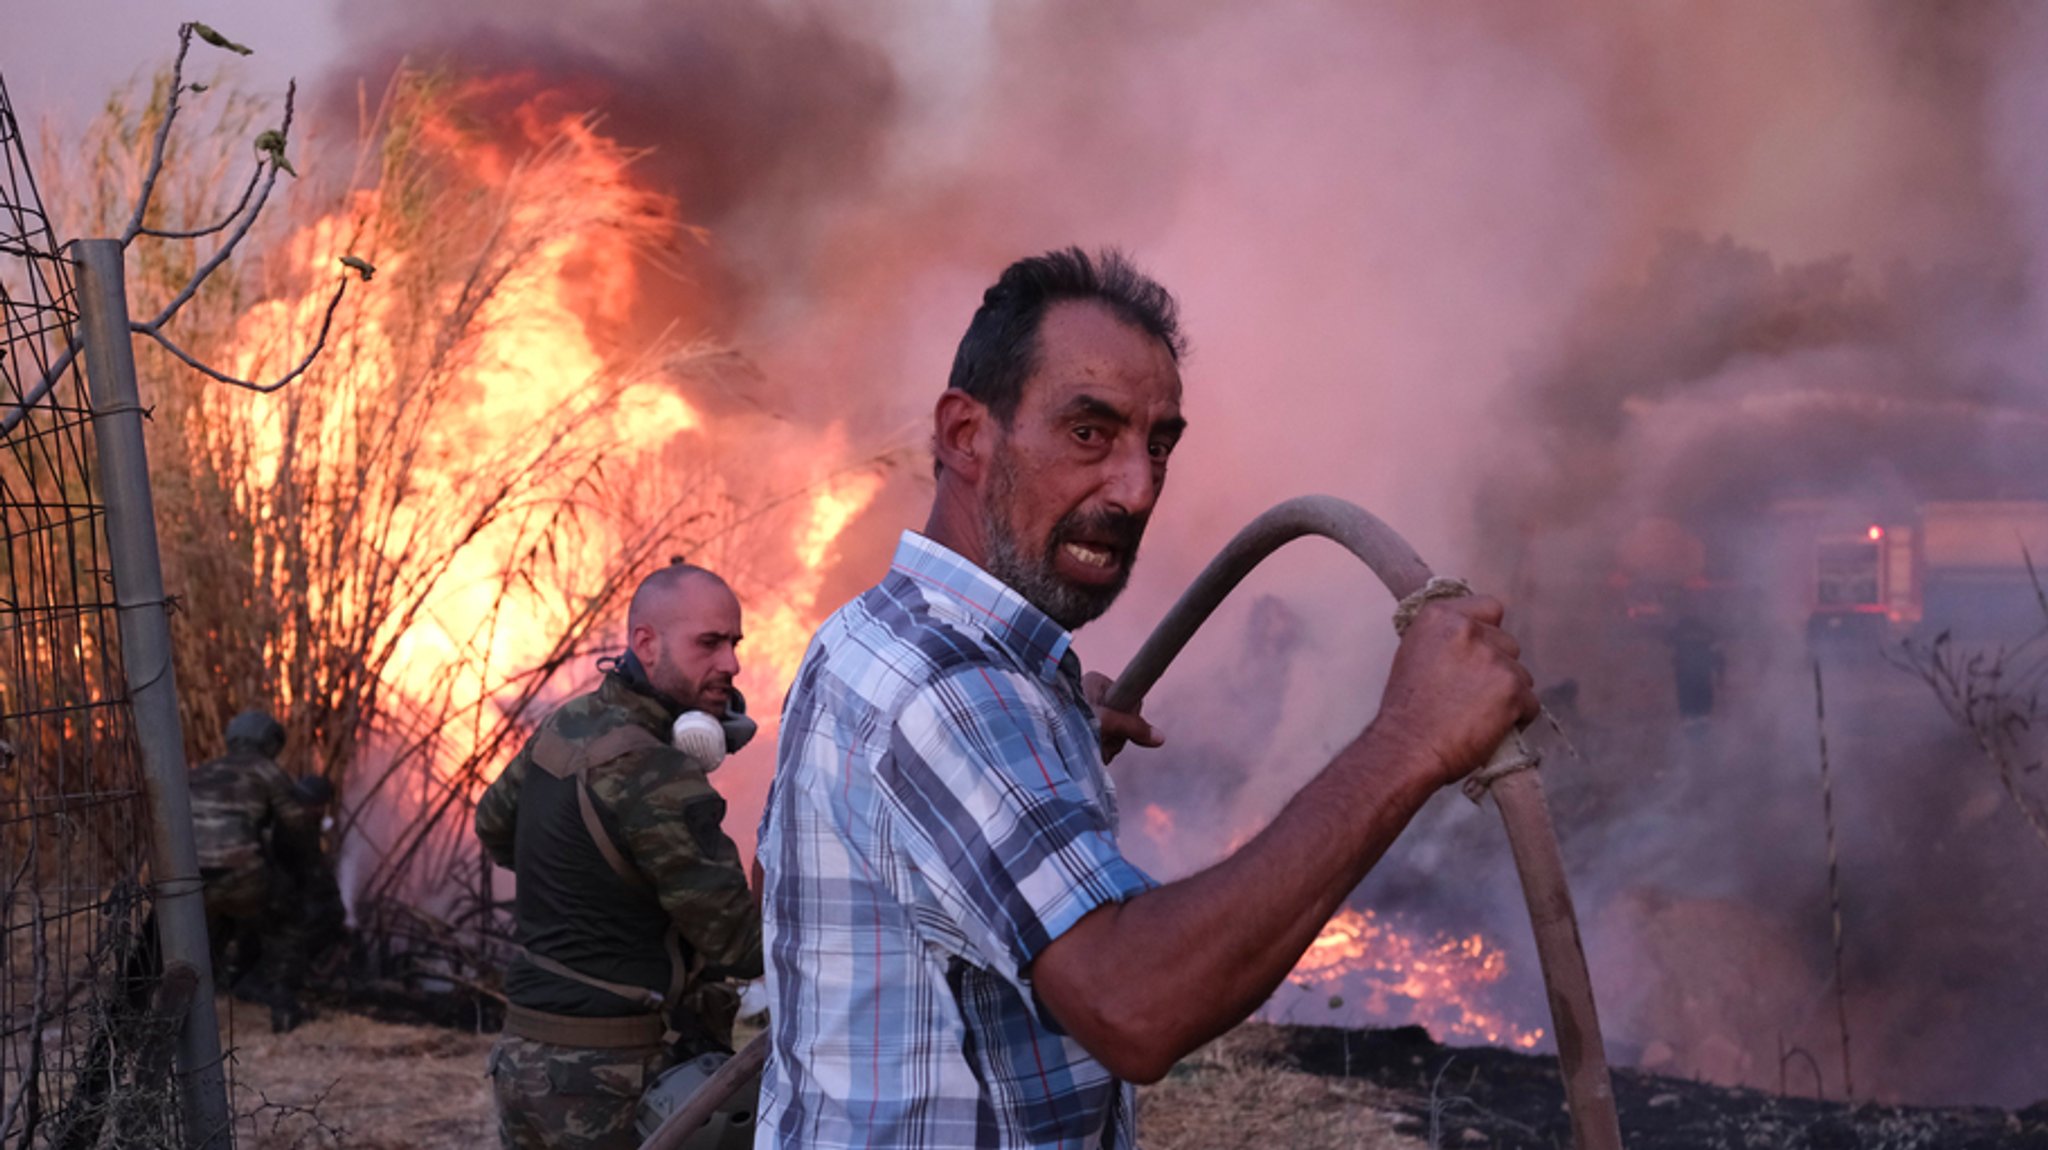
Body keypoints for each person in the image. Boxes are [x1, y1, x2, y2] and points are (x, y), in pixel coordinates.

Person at [757, 248, 1538, 1148]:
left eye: (1157, 445)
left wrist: (1040, 742)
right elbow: (1137, 1007)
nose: (1134, 490)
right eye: (1089, 434)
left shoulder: (869, 634)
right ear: (967, 435)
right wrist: (1409, 740)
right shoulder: (951, 691)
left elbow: (781, 881)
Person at [476, 563, 764, 1150]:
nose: (731, 664)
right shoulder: (658, 772)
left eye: (733, 644)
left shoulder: (569, 724)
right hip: (612, 1078)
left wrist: (591, 888)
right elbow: (743, 944)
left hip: (523, 1060)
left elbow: (495, 828)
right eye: (709, 643)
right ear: (646, 643)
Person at [190, 709, 325, 1032]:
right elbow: (295, 825)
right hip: (242, 876)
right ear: (269, 742)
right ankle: (284, 1009)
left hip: (190, 880)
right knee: (288, 922)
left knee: (201, 943)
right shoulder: (267, 772)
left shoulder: (199, 772)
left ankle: (191, 1018)